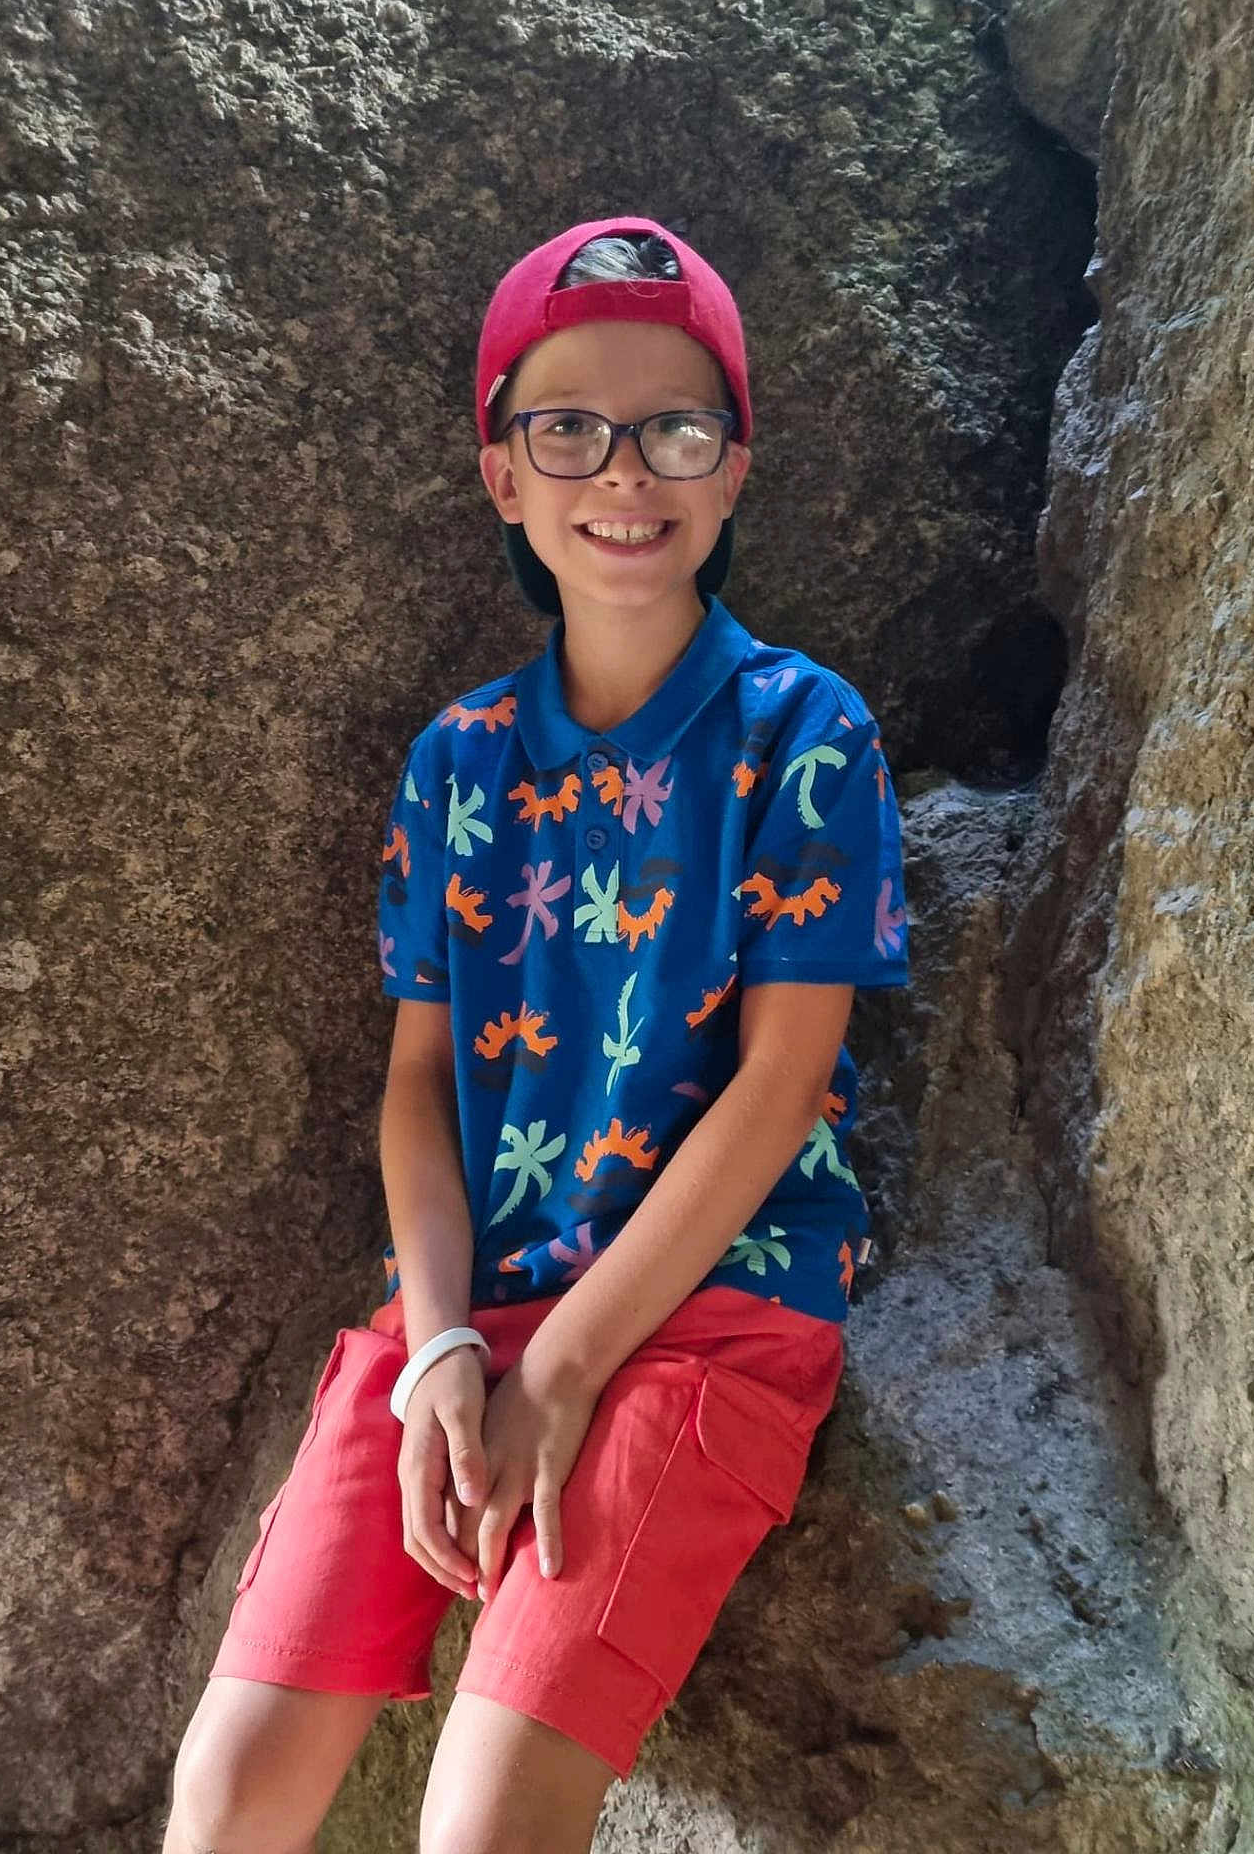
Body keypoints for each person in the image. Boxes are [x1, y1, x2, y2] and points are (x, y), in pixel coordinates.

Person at [164, 215, 910, 1854]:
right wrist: (441, 1351)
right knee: (223, 1794)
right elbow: (417, 1087)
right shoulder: (458, 762)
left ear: (733, 473)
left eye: (676, 429)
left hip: (709, 1317)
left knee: (484, 1821)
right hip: (458, 1311)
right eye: (567, 426)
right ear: (503, 473)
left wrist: (565, 1367)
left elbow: (783, 1083)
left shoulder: (805, 731)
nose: (623, 471)